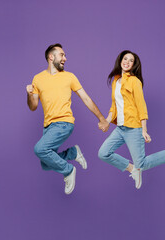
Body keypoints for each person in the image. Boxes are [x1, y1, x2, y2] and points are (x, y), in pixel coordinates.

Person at [98, 50, 165, 189]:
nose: (127, 62)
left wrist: (144, 130)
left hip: (133, 128)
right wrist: (107, 121)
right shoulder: (116, 81)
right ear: (120, 61)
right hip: (120, 128)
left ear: (133, 65)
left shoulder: (134, 81)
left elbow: (141, 106)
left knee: (142, 164)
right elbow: (114, 106)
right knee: (103, 153)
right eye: (125, 59)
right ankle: (133, 169)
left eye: (130, 60)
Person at [26, 43, 109, 195]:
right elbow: (33, 106)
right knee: (46, 164)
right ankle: (72, 153)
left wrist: (102, 118)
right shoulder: (38, 79)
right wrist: (30, 94)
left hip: (64, 123)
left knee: (39, 149)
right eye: (62, 55)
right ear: (51, 57)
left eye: (65, 55)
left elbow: (85, 98)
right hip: (48, 127)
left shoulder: (69, 77)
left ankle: (69, 170)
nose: (65, 58)